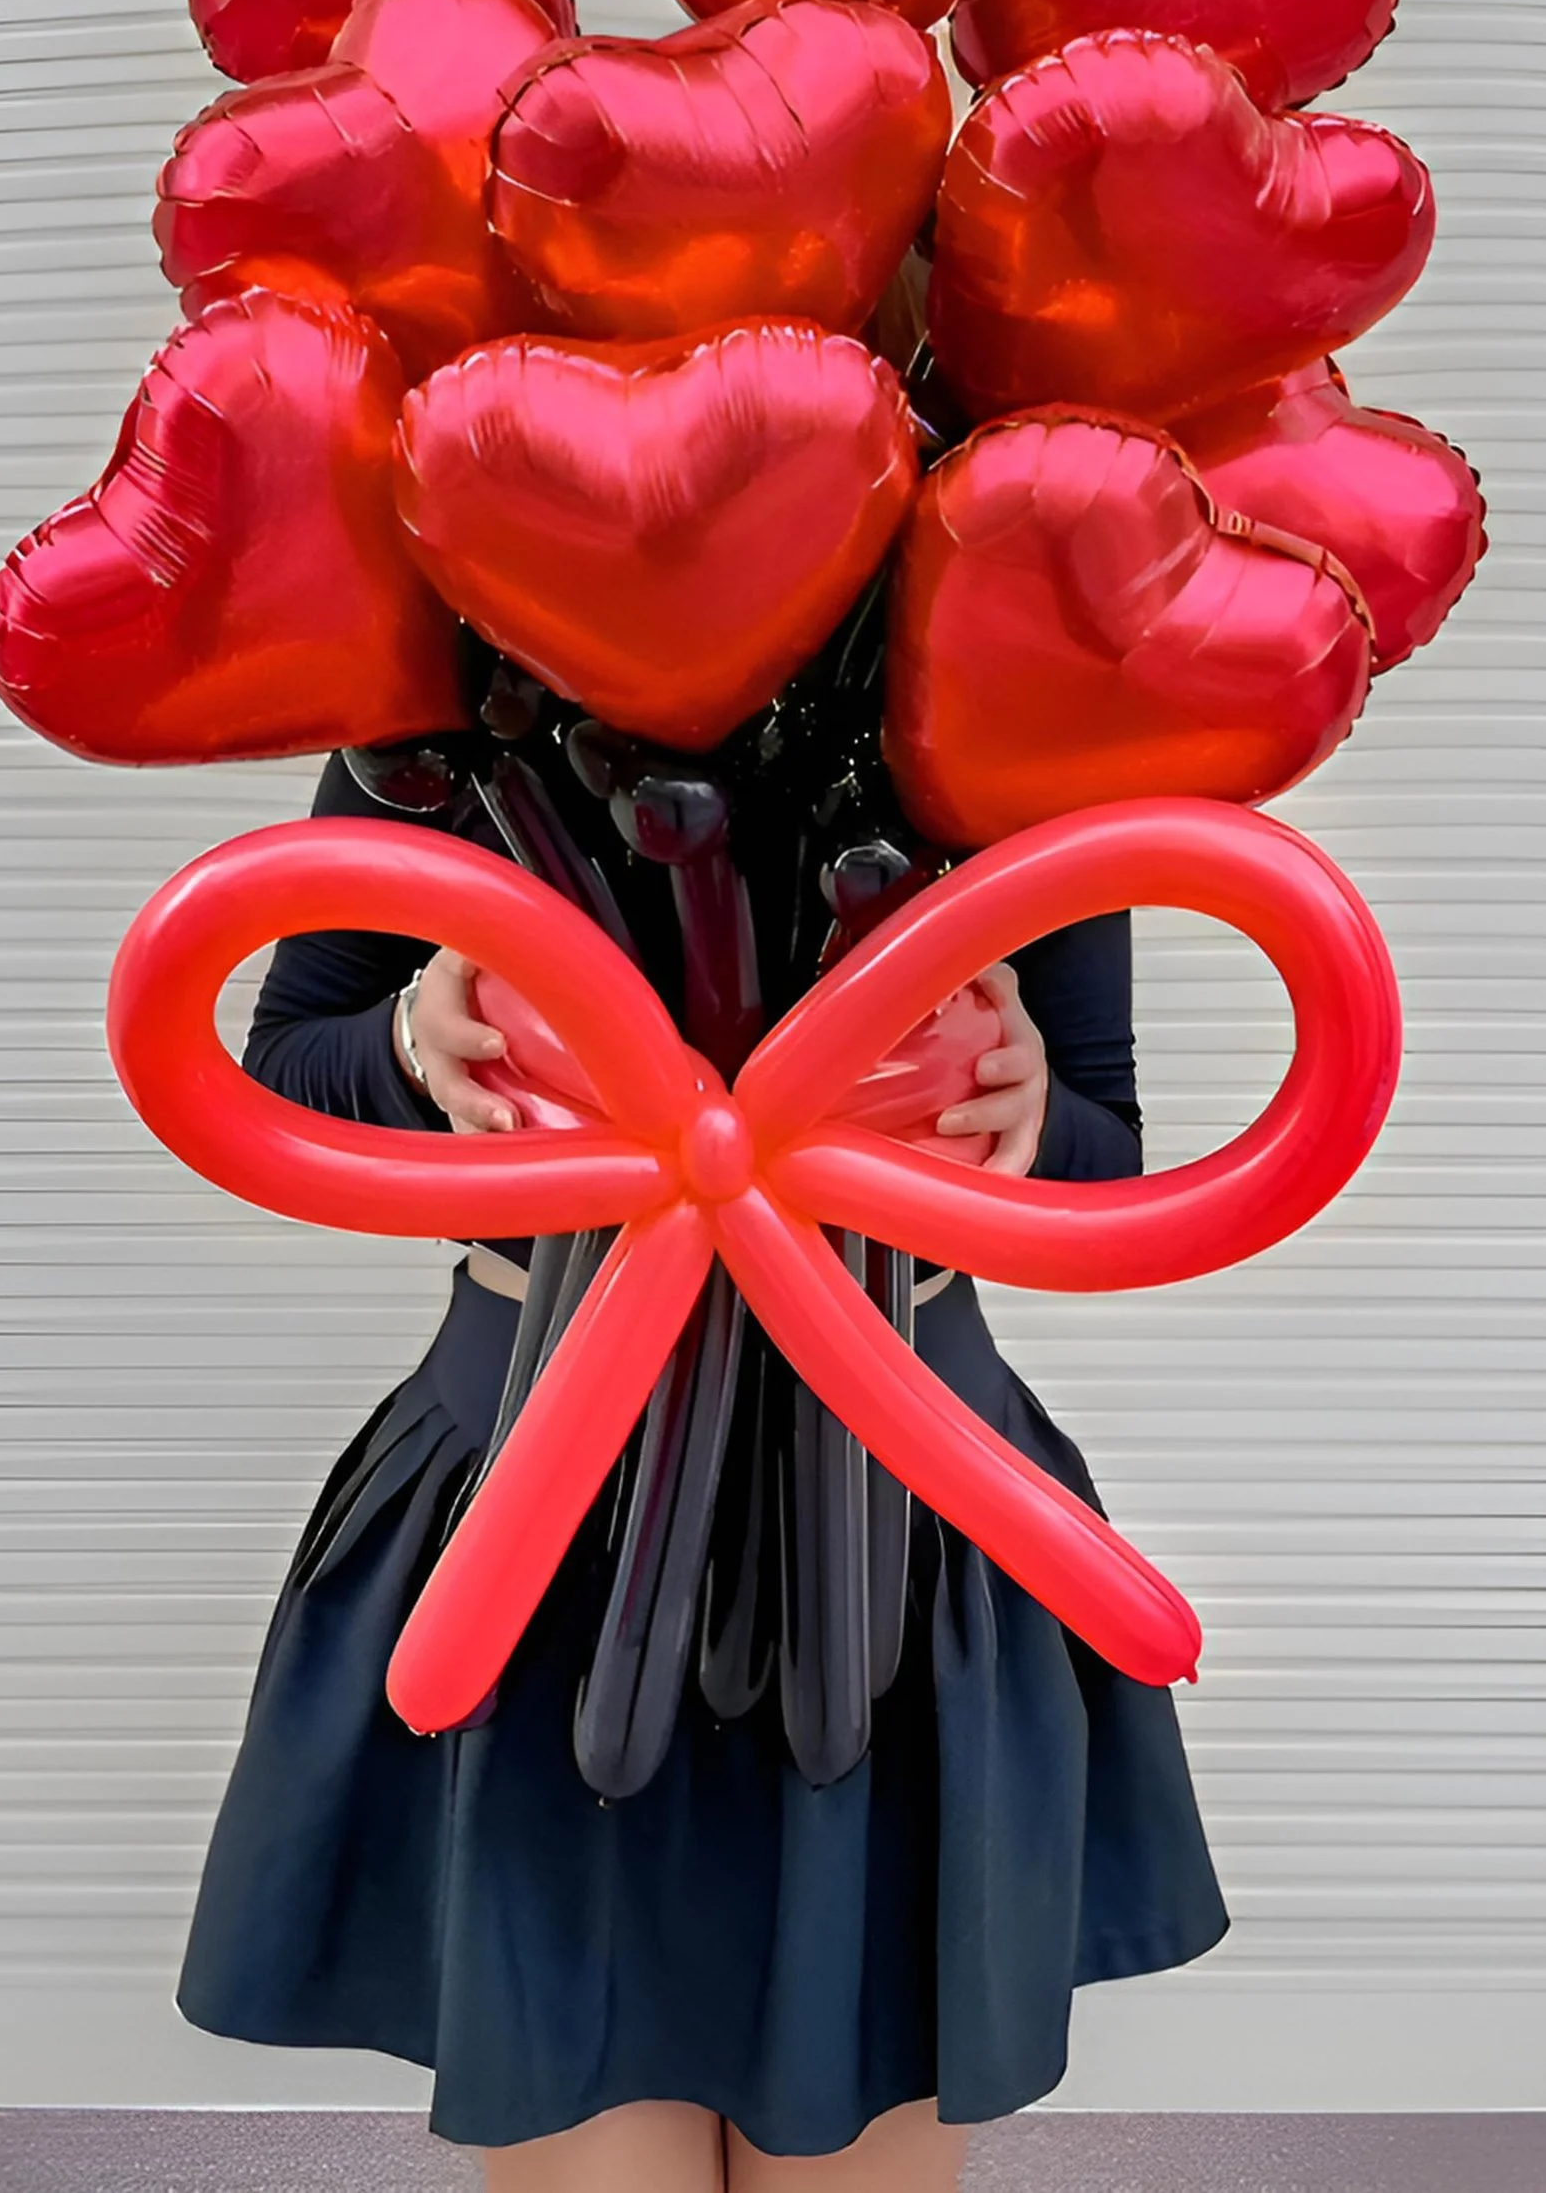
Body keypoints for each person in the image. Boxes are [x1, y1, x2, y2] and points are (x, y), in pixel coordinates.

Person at [177, 748, 1227, 2185]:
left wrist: (1023, 1115)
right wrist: (424, 1042)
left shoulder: (1009, 680)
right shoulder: (441, 695)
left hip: (900, 1546)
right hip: (541, 1532)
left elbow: (1111, 1158)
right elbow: (286, 1066)